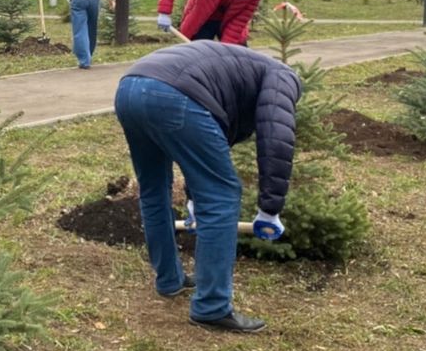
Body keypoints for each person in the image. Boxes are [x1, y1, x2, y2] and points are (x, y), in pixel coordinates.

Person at [114, 41, 300, 333]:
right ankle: (212, 307)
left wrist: (192, 199)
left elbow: (205, 148)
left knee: (154, 188)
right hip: (173, 93)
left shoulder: (241, 74)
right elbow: (275, 140)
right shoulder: (283, 79)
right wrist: (269, 210)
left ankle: (169, 280)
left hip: (130, 88)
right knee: (222, 194)